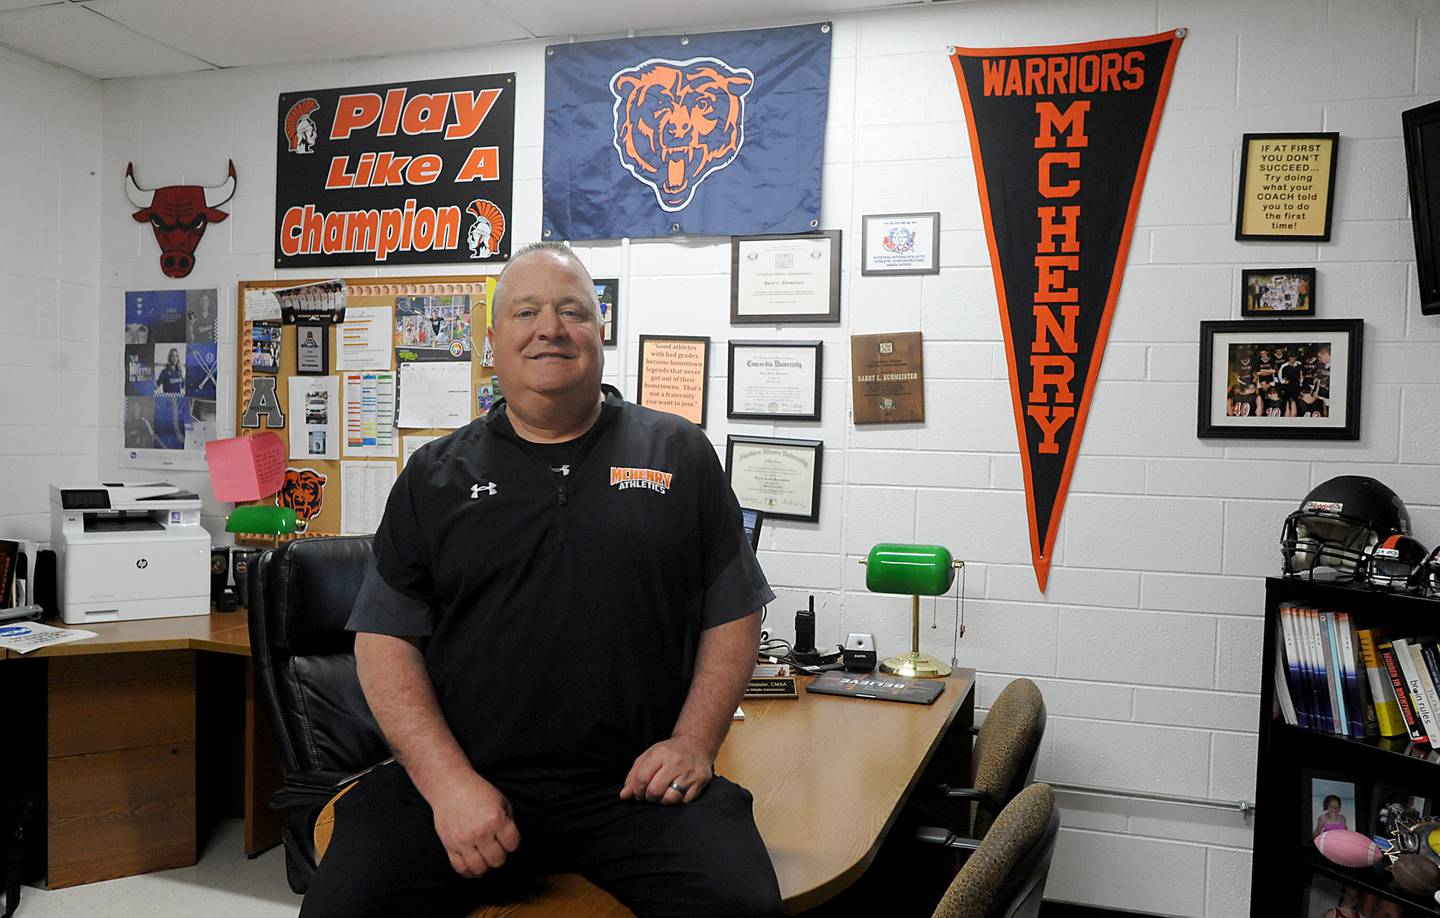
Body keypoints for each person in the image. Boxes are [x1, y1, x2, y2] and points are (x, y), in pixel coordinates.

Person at [302, 242, 781, 918]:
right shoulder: (435, 477)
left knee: (744, 907)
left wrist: (694, 743)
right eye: (525, 311)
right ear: (492, 339)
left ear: (600, 331)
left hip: (635, 791)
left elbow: (731, 611)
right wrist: (446, 784)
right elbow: (385, 642)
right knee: (343, 908)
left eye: (572, 311)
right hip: (471, 779)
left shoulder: (678, 454)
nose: (549, 328)